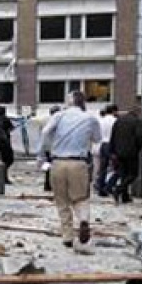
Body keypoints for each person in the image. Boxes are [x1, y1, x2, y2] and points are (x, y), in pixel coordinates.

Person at [38, 91, 101, 251]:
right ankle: (83, 220)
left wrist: (42, 156)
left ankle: (67, 236)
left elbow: (45, 132)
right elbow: (97, 139)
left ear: (70, 101)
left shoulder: (59, 116)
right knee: (81, 198)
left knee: (62, 201)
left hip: (58, 162)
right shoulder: (90, 118)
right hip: (79, 163)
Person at [108, 107, 142, 204]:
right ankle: (119, 189)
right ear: (137, 113)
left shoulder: (118, 121)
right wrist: (138, 148)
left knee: (123, 174)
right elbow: (140, 137)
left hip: (119, 152)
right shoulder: (137, 122)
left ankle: (125, 196)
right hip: (131, 152)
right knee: (133, 174)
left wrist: (113, 151)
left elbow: (113, 136)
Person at [94, 104, 118, 195]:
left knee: (102, 168)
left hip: (102, 144)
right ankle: (109, 185)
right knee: (116, 167)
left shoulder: (101, 120)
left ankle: (100, 187)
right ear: (114, 111)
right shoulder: (115, 121)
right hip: (111, 144)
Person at [0, 105, 15, 184]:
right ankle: (3, 176)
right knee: (9, 159)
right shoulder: (5, 119)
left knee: (3, 160)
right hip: (5, 143)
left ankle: (3, 177)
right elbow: (11, 128)